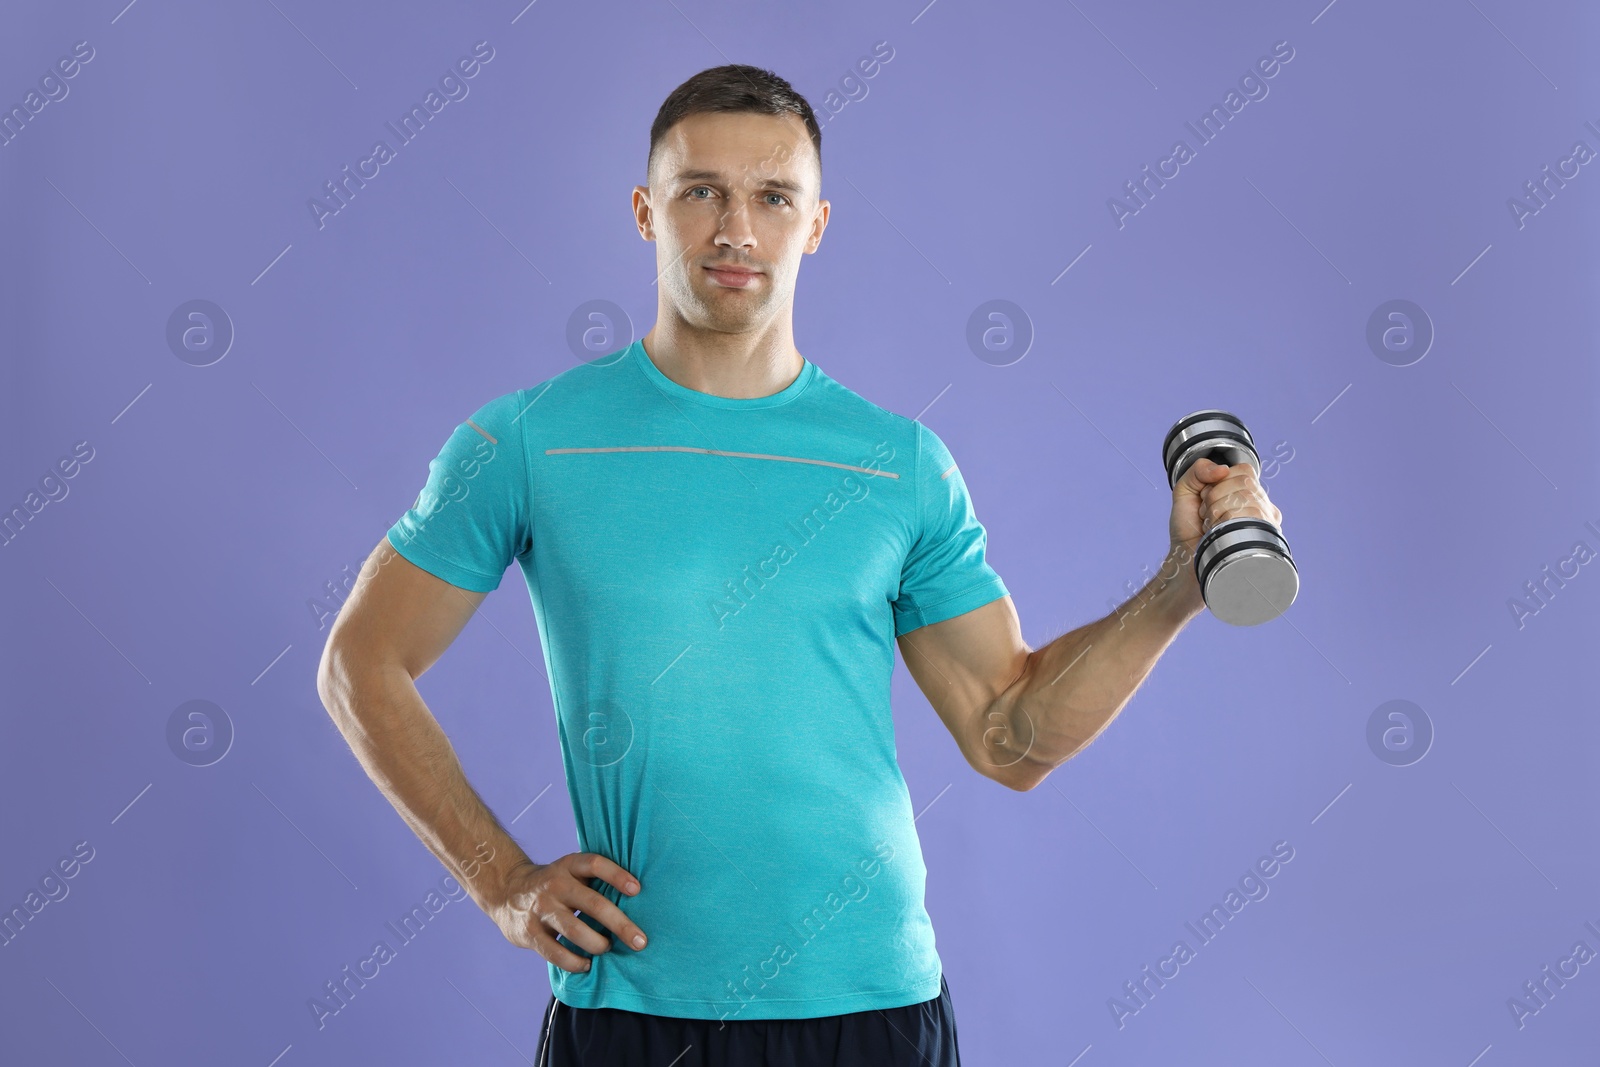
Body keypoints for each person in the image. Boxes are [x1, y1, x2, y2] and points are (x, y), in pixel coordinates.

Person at [316, 63, 1283, 1067]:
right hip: (636, 1007)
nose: (736, 229)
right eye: (701, 192)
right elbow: (360, 663)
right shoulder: (529, 441)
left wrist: (1182, 583)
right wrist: (501, 877)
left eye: (773, 197)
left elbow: (1010, 734)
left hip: (870, 1008)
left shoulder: (898, 464)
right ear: (647, 212)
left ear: (815, 223)